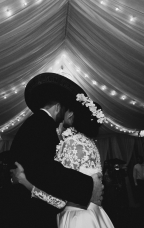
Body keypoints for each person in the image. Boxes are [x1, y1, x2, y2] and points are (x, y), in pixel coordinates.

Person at [8, 73, 104, 228]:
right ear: (59, 107)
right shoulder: (42, 124)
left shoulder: (38, 123)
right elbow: (45, 171)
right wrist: (90, 185)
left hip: (61, 213)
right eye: (66, 109)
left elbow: (44, 170)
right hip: (32, 211)